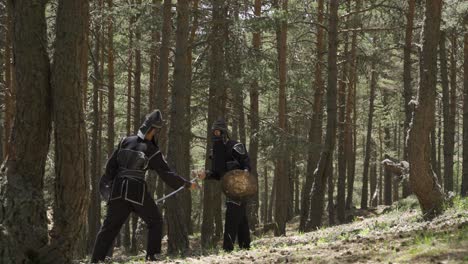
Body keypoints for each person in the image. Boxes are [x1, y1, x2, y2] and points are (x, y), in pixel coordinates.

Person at [91, 110, 198, 263]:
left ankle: (96, 260)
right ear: (152, 130)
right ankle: (152, 256)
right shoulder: (152, 150)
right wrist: (187, 184)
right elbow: (166, 173)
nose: (156, 134)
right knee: (155, 221)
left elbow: (110, 169)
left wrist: (108, 191)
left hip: (117, 191)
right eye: (156, 131)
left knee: (109, 227)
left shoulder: (124, 141)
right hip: (136, 191)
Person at [198, 119, 251, 252]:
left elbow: (246, 163)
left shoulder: (235, 146)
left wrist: (243, 176)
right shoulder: (216, 152)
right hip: (228, 187)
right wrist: (206, 174)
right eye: (214, 132)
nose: (216, 134)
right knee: (241, 217)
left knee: (232, 216)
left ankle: (228, 249)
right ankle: (245, 246)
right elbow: (218, 173)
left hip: (240, 186)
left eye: (218, 131)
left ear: (224, 132)